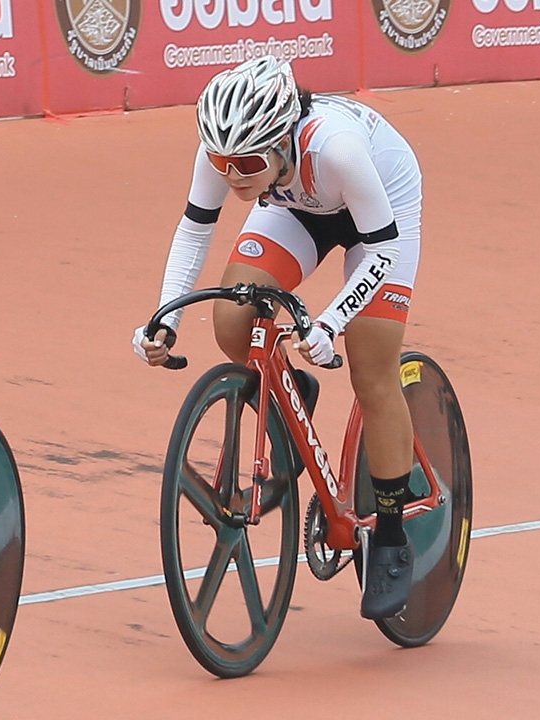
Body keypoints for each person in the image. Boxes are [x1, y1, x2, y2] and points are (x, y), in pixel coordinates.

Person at [132, 56, 421, 620]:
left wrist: (331, 322)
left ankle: (390, 534)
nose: (232, 176)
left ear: (282, 141)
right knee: (231, 320)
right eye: (223, 164)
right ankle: (292, 391)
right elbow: (194, 229)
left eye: (246, 164)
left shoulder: (336, 149)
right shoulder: (228, 150)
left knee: (371, 369)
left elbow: (383, 250)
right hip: (296, 207)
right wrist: (164, 318)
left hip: (381, 212)